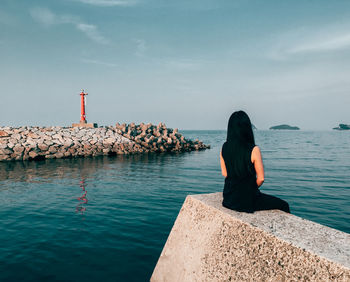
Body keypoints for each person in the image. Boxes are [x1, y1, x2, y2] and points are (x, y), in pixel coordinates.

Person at [220, 110, 290, 213]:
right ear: (247, 128)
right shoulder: (254, 149)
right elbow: (261, 178)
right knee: (284, 205)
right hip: (246, 201)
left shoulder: (224, 147)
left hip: (228, 198)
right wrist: (248, 189)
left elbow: (225, 173)